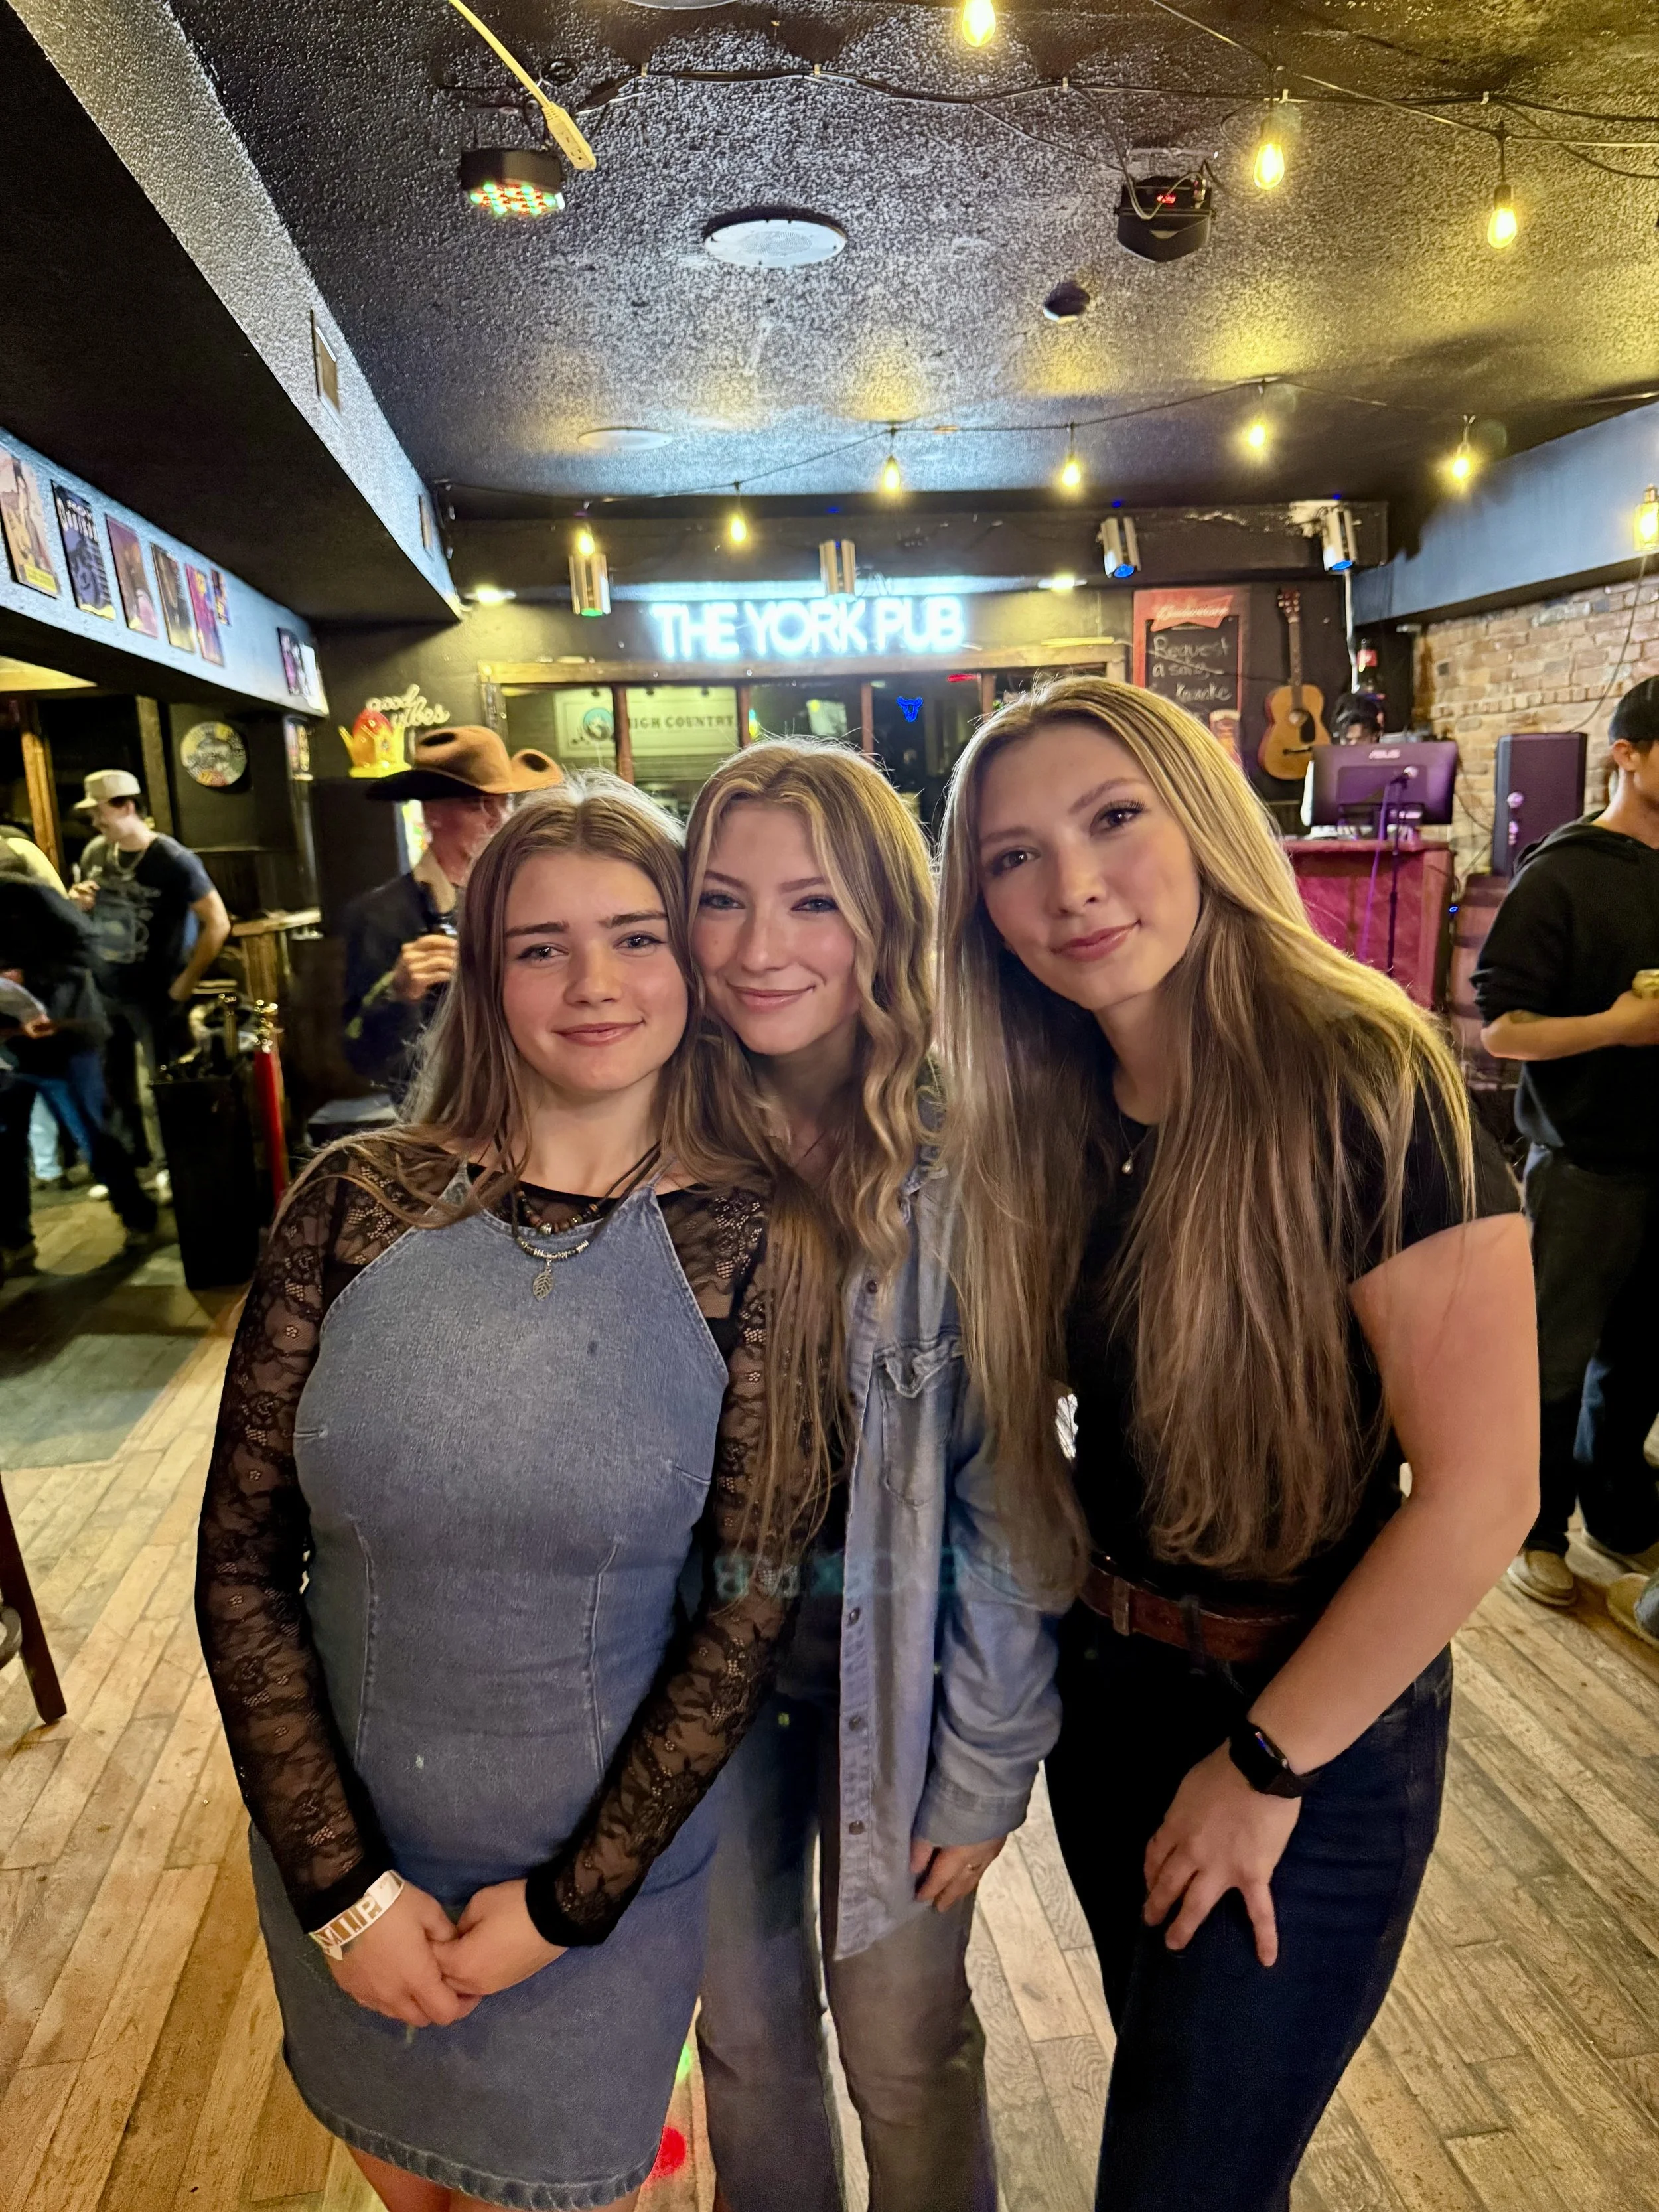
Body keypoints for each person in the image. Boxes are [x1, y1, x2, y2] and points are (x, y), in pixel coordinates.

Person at [934, 676, 1536, 2212]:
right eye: (1012, 856)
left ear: (1201, 823)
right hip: (1112, 1699)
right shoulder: (1049, 1104)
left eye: (1112, 819)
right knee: (1206, 2153)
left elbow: (1483, 1494)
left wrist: (1264, 1763)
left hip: (1309, 1731)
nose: (1069, 885)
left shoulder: (1367, 1080)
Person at [196, 777, 839, 2212]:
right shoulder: (354, 1201)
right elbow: (241, 1563)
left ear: (692, 963)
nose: (593, 982)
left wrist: (560, 1913)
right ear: (482, 974)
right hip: (342, 1869)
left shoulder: (753, 1243)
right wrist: (339, 1887)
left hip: (593, 1904)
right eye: (540, 945)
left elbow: (744, 1614)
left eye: (634, 935)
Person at [684, 741, 1058, 2212]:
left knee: (904, 2044)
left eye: (812, 902)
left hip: (892, 1681)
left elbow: (1013, 1489)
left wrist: (985, 1758)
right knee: (745, 2040)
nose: (760, 949)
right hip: (694, 1684)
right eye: (719, 900)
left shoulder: (969, 1154)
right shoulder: (648, 1134)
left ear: (885, 922)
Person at [1473, 675, 1659, 1609]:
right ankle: (1535, 1532)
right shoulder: (1566, 872)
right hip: (1584, 1163)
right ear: (1627, 753)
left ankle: (1622, 1517)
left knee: (1642, 1361)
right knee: (1551, 1357)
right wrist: (1618, 1028)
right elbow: (1501, 1031)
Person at [340, 727, 561, 1100]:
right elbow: (365, 1059)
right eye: (477, 804)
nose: (498, 817)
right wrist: (400, 997)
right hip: (442, 1121)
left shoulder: (533, 901)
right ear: (434, 814)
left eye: (504, 801)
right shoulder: (379, 917)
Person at [69, 768, 230, 1169]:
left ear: (127, 806)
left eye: (100, 812)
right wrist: (78, 902)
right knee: (116, 1087)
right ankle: (137, 1165)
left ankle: (174, 1169)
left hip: (157, 995)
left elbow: (219, 923)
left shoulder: (173, 859)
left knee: (164, 1087)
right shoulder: (95, 853)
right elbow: (85, 911)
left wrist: (186, 983)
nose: (95, 822)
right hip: (106, 991)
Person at [0, 875, 157, 1268]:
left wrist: (28, 978)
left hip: (64, 1036)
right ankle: (15, 1240)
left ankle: (139, 1217)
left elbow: (86, 945)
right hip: (8, 1044)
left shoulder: (26, 894)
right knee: (3, 1148)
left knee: (93, 1134)